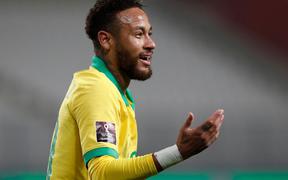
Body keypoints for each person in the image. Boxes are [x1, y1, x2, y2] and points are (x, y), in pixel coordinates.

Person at [46, 0, 225, 179]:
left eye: (150, 33)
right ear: (106, 40)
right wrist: (178, 152)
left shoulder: (115, 93)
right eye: (139, 34)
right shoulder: (96, 89)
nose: (151, 43)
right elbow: (102, 173)